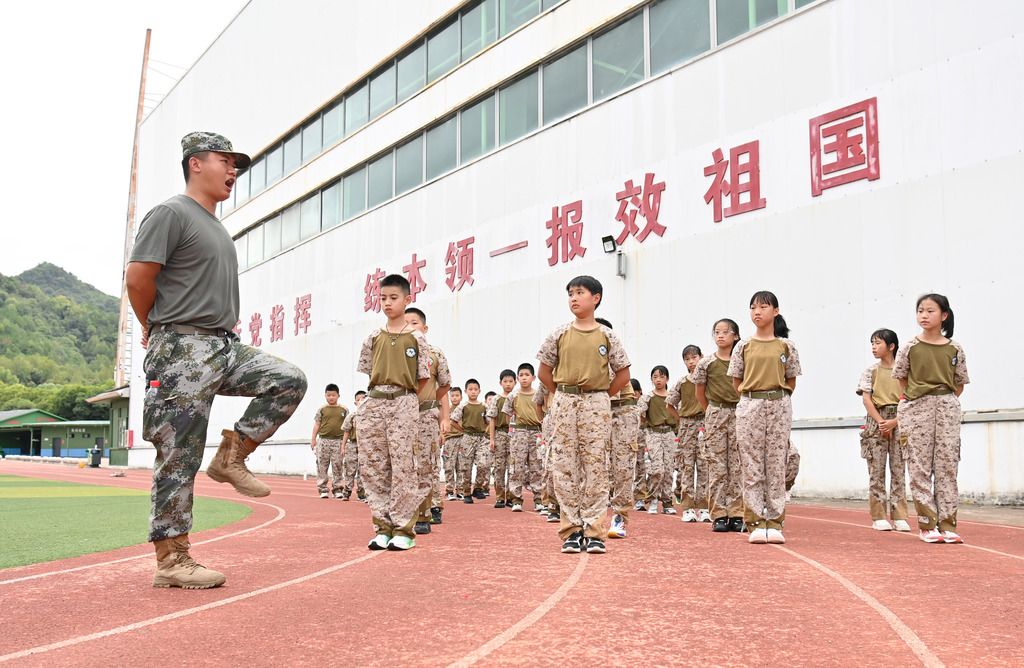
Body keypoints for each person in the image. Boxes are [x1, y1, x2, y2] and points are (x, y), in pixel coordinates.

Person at [127, 131, 307, 589]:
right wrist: (152, 324)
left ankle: (232, 456)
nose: (233, 171)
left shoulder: (214, 225)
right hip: (181, 348)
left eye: (235, 165)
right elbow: (138, 278)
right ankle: (172, 559)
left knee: (287, 380)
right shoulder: (172, 213)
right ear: (195, 163)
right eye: (225, 162)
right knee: (179, 454)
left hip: (222, 345)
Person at [537, 275, 631, 554]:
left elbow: (623, 373)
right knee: (565, 465)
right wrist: (562, 393)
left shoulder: (607, 336)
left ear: (596, 298)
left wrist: (601, 394)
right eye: (570, 294)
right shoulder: (559, 334)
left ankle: (593, 530)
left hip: (596, 403)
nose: (574, 298)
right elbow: (544, 371)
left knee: (596, 466)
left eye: (580, 293)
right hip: (565, 401)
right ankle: (571, 530)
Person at [355, 274, 430, 551]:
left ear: (407, 299)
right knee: (374, 467)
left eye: (393, 298)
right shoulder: (373, 337)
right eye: (383, 298)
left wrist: (405, 400)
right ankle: (382, 527)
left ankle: (403, 529)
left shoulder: (417, 339)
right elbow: (369, 372)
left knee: (403, 467)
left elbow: (423, 378)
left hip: (404, 402)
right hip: (375, 402)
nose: (387, 303)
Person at [893, 293, 970, 544]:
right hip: (916, 409)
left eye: (930, 311)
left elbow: (959, 383)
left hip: (947, 407)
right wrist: (915, 399)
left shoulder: (955, 348)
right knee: (919, 466)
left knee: (948, 465)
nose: (924, 316)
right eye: (920, 311)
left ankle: (947, 524)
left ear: (944, 315)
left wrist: (944, 401)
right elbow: (901, 379)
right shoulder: (909, 347)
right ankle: (927, 524)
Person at [729, 291, 802, 545]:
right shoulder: (743, 346)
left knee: (776, 463)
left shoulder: (786, 346)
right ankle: (756, 522)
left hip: (779, 404)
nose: (757, 312)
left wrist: (777, 397)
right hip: (751, 404)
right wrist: (753, 397)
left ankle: (775, 520)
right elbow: (736, 381)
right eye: (753, 307)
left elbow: (791, 379)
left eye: (763, 307)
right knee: (751, 464)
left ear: (776, 311)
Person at [856, 329, 911, 531]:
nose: (873, 347)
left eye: (878, 343)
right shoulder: (871, 371)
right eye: (872, 343)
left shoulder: (903, 372)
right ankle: (878, 515)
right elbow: (866, 399)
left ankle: (900, 515)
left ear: (891, 346)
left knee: (899, 469)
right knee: (876, 470)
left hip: (899, 420)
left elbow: (909, 399)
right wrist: (881, 422)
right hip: (876, 420)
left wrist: (894, 422)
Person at [693, 319, 743, 534]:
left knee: (737, 465)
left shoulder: (742, 361)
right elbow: (699, 392)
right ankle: (719, 514)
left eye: (725, 332)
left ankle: (737, 513)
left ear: (736, 336)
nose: (720, 336)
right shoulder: (707, 363)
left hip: (739, 412)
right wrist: (711, 412)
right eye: (717, 332)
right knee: (717, 465)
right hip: (716, 412)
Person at [404, 308, 451, 534]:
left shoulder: (435, 354)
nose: (410, 327)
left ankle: (429, 509)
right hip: (402, 416)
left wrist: (443, 416)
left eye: (414, 322)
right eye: (406, 323)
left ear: (425, 328)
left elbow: (444, 386)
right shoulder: (398, 353)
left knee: (427, 463)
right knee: (404, 465)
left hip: (426, 416)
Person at [598, 320, 639, 540]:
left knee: (623, 465)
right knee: (595, 465)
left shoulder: (616, 351)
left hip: (623, 410)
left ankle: (619, 516)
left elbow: (623, 376)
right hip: (597, 411)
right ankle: (593, 517)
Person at [668, 345, 710, 523]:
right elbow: (670, 404)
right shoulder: (682, 382)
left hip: (705, 424)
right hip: (687, 425)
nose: (691, 362)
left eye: (694, 357)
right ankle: (687, 507)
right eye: (687, 359)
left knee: (704, 466)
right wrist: (681, 420)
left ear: (701, 357)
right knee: (687, 466)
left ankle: (704, 507)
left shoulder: (709, 380)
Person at [502, 363, 544, 512]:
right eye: (521, 375)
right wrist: (514, 431)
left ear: (533, 377)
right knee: (516, 467)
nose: (524, 378)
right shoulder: (513, 396)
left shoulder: (539, 394)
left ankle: (539, 499)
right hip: (519, 433)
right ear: (518, 378)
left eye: (527, 375)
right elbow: (507, 416)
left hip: (536, 433)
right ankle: (516, 499)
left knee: (537, 467)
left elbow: (544, 412)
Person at [638, 366, 679, 515]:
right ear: (651, 380)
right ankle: (653, 498)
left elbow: (679, 413)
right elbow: (639, 414)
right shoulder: (647, 397)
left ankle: (667, 501)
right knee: (657, 468)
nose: (658, 380)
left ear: (667, 379)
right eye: (655, 377)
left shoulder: (672, 397)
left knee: (668, 469)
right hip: (653, 433)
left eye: (661, 377)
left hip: (669, 434)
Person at [452, 379, 489, 502]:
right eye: (470, 389)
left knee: (484, 463)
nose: (473, 392)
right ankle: (467, 492)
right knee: (466, 467)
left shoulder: (484, 406)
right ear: (466, 391)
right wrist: (463, 430)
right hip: (467, 438)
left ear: (479, 391)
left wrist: (485, 430)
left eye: (475, 389)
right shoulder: (463, 406)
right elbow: (453, 421)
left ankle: (478, 487)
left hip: (481, 438)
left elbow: (490, 421)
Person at [310, 384, 348, 498]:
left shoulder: (344, 409)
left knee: (338, 465)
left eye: (333, 395)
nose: (331, 397)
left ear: (338, 396)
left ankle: (337, 489)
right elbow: (317, 424)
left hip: (338, 441)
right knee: (322, 465)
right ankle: (323, 489)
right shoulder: (322, 409)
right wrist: (313, 439)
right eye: (329, 395)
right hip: (323, 441)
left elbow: (347, 427)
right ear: (325, 396)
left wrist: (345, 443)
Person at [488, 370, 517, 508]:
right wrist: (492, 439)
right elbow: (492, 420)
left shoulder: (517, 397)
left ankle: (511, 496)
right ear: (500, 383)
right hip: (500, 434)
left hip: (515, 435)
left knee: (513, 467)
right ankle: (499, 496)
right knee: (499, 467)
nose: (508, 384)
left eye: (511, 381)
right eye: (505, 381)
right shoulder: (496, 399)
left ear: (515, 382)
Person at [339, 391, 367, 501]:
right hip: (352, 445)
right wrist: (343, 446)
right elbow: (346, 431)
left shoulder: (370, 416)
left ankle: (362, 492)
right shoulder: (352, 416)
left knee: (363, 470)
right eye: (358, 399)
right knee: (350, 469)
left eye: (363, 399)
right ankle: (347, 491)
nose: (361, 401)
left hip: (365, 446)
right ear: (355, 402)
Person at [443, 387, 464, 500]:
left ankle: (460, 490)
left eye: (457, 395)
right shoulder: (447, 411)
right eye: (452, 396)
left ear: (461, 397)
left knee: (461, 466)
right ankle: (449, 491)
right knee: (449, 466)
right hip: (449, 440)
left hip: (462, 439)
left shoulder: (464, 409)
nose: (455, 398)